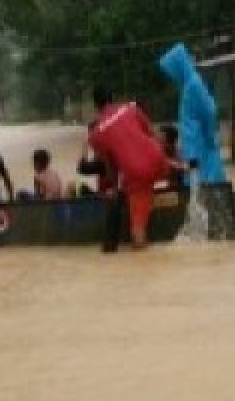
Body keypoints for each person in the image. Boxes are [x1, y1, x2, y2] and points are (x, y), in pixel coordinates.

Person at [87, 85, 180, 251]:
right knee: (169, 174)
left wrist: (116, 188)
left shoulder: (96, 135)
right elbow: (153, 135)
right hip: (158, 158)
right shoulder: (131, 108)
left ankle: (142, 265)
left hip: (136, 173)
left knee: (138, 227)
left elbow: (111, 166)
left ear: (96, 105)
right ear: (113, 98)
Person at [159, 42, 227, 186]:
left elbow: (209, 110)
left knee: (203, 187)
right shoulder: (189, 85)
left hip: (199, 146)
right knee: (194, 187)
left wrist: (209, 137)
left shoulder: (193, 85)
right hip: (194, 146)